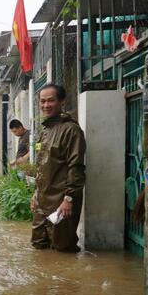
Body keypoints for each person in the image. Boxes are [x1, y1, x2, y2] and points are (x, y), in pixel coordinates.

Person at [30, 84, 86, 253]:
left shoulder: (71, 130)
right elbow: (42, 166)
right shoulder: (46, 130)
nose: (46, 105)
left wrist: (68, 199)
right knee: (39, 244)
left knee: (63, 247)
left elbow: (75, 167)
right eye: (42, 101)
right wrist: (35, 193)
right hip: (42, 200)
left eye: (50, 101)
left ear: (61, 101)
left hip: (62, 201)